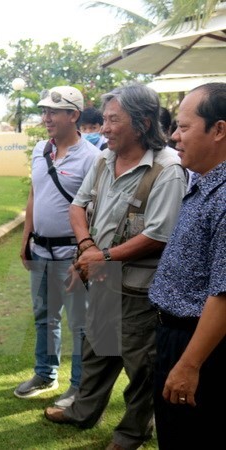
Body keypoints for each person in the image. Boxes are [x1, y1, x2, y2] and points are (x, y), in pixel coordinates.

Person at [43, 84, 187, 450]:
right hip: (103, 278)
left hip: (140, 288)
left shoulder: (167, 170)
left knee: (141, 366)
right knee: (97, 350)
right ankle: (83, 411)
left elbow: (159, 236)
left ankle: (133, 432)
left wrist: (102, 258)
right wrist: (88, 250)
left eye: (112, 120)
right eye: (104, 119)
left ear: (140, 124)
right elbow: (78, 207)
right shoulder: (104, 158)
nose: (103, 128)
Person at [149, 82, 226, 449]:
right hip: (175, 336)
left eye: (183, 127)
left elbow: (224, 294)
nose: (173, 137)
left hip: (199, 344)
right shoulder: (203, 182)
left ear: (219, 130)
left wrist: (189, 364)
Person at [15, 86, 98, 408]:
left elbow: (96, 209)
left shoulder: (92, 158)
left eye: (53, 111)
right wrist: (26, 237)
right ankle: (45, 373)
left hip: (71, 255)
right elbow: (35, 193)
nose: (45, 117)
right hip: (40, 250)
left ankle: (78, 386)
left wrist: (86, 255)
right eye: (44, 111)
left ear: (73, 115)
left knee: (79, 323)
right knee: (44, 316)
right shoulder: (40, 150)